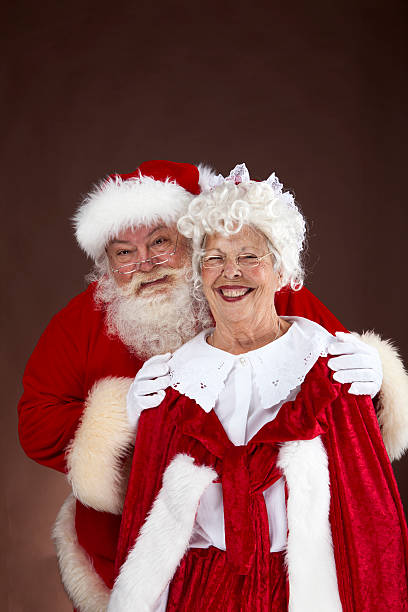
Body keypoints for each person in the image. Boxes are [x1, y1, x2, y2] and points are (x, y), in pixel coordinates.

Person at [17, 161, 408, 612]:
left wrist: (378, 381)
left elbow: (347, 416)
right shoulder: (84, 319)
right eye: (124, 253)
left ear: (191, 239)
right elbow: (36, 421)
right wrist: (120, 421)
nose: (143, 263)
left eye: (160, 243)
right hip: (137, 548)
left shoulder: (265, 288)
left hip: (289, 564)